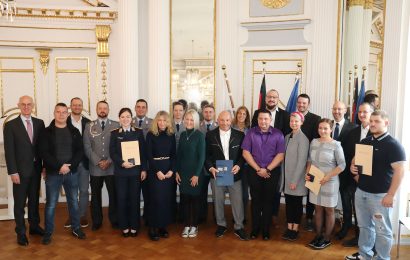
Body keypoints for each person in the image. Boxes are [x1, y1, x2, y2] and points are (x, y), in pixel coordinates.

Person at [345, 110, 406, 260]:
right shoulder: (365, 141)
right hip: (361, 193)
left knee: (382, 230)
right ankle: (365, 255)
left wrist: (390, 195)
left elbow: (400, 171)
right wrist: (353, 169)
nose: (372, 124)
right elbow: (355, 161)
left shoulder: (393, 145)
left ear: (386, 123)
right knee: (364, 227)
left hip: (381, 196)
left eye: (376, 121)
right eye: (371, 121)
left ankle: (383, 258)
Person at [38, 103, 86, 245]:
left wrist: (69, 166)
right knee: (51, 204)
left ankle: (76, 228)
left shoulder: (75, 131)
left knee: (73, 202)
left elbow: (80, 151)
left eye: (64, 112)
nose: (61, 114)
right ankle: (48, 233)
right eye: (58, 112)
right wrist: (59, 166)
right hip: (53, 173)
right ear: (54, 113)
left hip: (71, 173)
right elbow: (44, 153)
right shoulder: (46, 132)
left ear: (67, 113)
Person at [3, 96, 46, 246]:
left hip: (36, 170)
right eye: (24, 104)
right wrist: (13, 172)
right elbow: (9, 151)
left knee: (34, 200)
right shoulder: (10, 125)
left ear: (33, 105)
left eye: (29, 104)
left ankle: (34, 227)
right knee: (20, 203)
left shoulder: (40, 123)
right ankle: (21, 232)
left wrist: (44, 166)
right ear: (18, 106)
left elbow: (42, 147)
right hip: (19, 172)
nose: (27, 107)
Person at [242, 109, 285, 240]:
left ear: (270, 120)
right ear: (257, 120)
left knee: (268, 201)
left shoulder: (278, 134)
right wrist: (258, 169)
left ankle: (266, 230)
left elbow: (280, 155)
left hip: (271, 173)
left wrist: (267, 169)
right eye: (260, 119)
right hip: (254, 172)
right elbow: (245, 153)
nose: (263, 121)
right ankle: (255, 229)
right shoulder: (251, 133)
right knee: (255, 201)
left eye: (266, 119)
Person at [205, 111, 248, 241]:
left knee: (237, 201)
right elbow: (206, 155)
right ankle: (221, 225)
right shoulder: (210, 135)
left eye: (227, 120)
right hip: (217, 173)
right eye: (222, 120)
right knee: (218, 200)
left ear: (231, 120)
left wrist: (239, 165)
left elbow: (243, 154)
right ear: (218, 120)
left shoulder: (240, 135)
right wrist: (211, 167)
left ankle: (239, 227)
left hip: (234, 173)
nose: (225, 123)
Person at [306, 118, 345, 250]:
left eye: (325, 128)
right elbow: (310, 160)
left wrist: (328, 176)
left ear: (331, 129)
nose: (322, 131)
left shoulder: (336, 144)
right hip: (315, 180)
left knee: (329, 210)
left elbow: (342, 165)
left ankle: (327, 238)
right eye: (320, 128)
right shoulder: (314, 142)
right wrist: (307, 173)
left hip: (330, 182)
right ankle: (318, 236)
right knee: (317, 209)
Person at [109, 108, 147, 237]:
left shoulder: (138, 132)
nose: (125, 119)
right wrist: (121, 162)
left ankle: (134, 226)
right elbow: (112, 152)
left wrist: (143, 169)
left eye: (128, 117)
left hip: (135, 172)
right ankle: (124, 226)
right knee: (122, 199)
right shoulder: (114, 133)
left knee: (134, 199)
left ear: (132, 118)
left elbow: (143, 152)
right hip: (121, 173)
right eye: (123, 117)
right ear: (119, 119)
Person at [341, 102, 374, 247]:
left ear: (371, 113)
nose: (361, 114)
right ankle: (358, 237)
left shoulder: (376, 132)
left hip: (371, 180)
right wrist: (351, 167)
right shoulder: (352, 132)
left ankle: (370, 242)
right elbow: (347, 154)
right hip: (353, 179)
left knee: (369, 213)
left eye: (365, 112)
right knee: (357, 209)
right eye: (359, 112)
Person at [83, 100, 119, 231]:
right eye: (100, 108)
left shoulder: (116, 125)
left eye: (105, 108)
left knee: (113, 195)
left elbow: (118, 146)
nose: (102, 110)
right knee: (96, 196)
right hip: (95, 167)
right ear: (96, 110)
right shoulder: (89, 126)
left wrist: (109, 160)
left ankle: (115, 220)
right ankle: (97, 221)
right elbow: (87, 147)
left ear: (108, 110)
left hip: (112, 166)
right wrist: (98, 161)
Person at [145, 111, 177, 241]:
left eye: (165, 120)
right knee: (155, 200)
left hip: (168, 171)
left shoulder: (171, 135)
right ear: (156, 122)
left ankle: (163, 226)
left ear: (168, 122)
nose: (162, 123)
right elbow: (149, 155)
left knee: (166, 200)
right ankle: (152, 227)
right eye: (160, 120)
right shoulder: (150, 135)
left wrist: (172, 170)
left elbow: (174, 154)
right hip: (155, 171)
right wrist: (157, 171)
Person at [176, 109, 205, 238]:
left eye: (192, 120)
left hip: (195, 174)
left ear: (196, 121)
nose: (189, 122)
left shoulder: (199, 135)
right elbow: (179, 156)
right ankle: (187, 225)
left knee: (195, 200)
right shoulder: (182, 135)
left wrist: (197, 175)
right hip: (183, 173)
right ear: (184, 120)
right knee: (185, 200)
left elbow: (202, 157)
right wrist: (177, 172)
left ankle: (194, 226)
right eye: (187, 119)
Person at [281, 112, 309, 242]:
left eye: (296, 121)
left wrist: (294, 180)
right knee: (289, 204)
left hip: (296, 180)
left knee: (296, 205)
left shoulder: (303, 139)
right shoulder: (287, 137)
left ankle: (295, 229)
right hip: (287, 178)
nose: (294, 123)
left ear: (301, 122)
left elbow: (302, 162)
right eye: (292, 121)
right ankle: (289, 227)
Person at [330, 101, 356, 240]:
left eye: (340, 109)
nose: (337, 111)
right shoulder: (328, 125)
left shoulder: (353, 127)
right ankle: (328, 224)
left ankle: (346, 227)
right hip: (329, 171)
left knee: (347, 201)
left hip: (346, 173)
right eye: (334, 109)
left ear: (345, 110)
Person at [296, 93, 321, 231]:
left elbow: (317, 140)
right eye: (299, 103)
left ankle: (309, 218)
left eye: (304, 103)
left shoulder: (316, 119)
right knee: (298, 189)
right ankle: (297, 217)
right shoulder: (293, 117)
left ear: (308, 104)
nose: (301, 105)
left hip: (311, 160)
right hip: (297, 161)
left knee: (311, 190)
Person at [66, 97, 91, 228]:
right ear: (70, 107)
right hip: (70, 163)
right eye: (74, 105)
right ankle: (72, 216)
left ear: (82, 107)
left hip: (85, 163)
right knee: (71, 191)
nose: (77, 107)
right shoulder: (63, 121)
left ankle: (82, 216)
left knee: (84, 190)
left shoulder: (88, 122)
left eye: (79, 105)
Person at [132, 99, 152, 226]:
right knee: (133, 194)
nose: (140, 109)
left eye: (143, 107)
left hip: (148, 164)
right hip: (132, 165)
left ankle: (148, 217)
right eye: (138, 107)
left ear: (146, 109)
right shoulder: (128, 121)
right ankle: (134, 219)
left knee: (147, 193)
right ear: (135, 108)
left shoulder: (152, 123)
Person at [198, 104, 218, 223]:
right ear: (203, 113)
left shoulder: (219, 126)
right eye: (206, 112)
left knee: (217, 194)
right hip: (201, 167)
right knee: (202, 193)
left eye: (210, 112)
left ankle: (217, 217)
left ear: (214, 113)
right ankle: (202, 216)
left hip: (215, 166)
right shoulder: (197, 126)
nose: (208, 114)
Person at [232, 106, 251, 222]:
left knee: (244, 193)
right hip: (232, 164)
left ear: (247, 116)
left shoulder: (250, 130)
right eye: (239, 113)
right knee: (234, 193)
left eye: (244, 114)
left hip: (245, 166)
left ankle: (242, 216)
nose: (241, 116)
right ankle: (235, 216)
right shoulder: (230, 127)